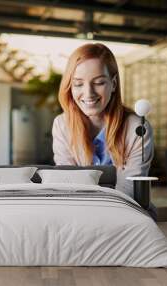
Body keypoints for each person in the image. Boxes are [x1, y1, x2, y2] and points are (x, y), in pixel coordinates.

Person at [52, 43, 154, 198]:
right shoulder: (62, 125)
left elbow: (130, 189)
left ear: (113, 84)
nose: (88, 93)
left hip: (127, 212)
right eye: (78, 84)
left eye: (99, 82)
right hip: (80, 213)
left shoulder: (137, 129)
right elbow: (68, 186)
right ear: (70, 87)